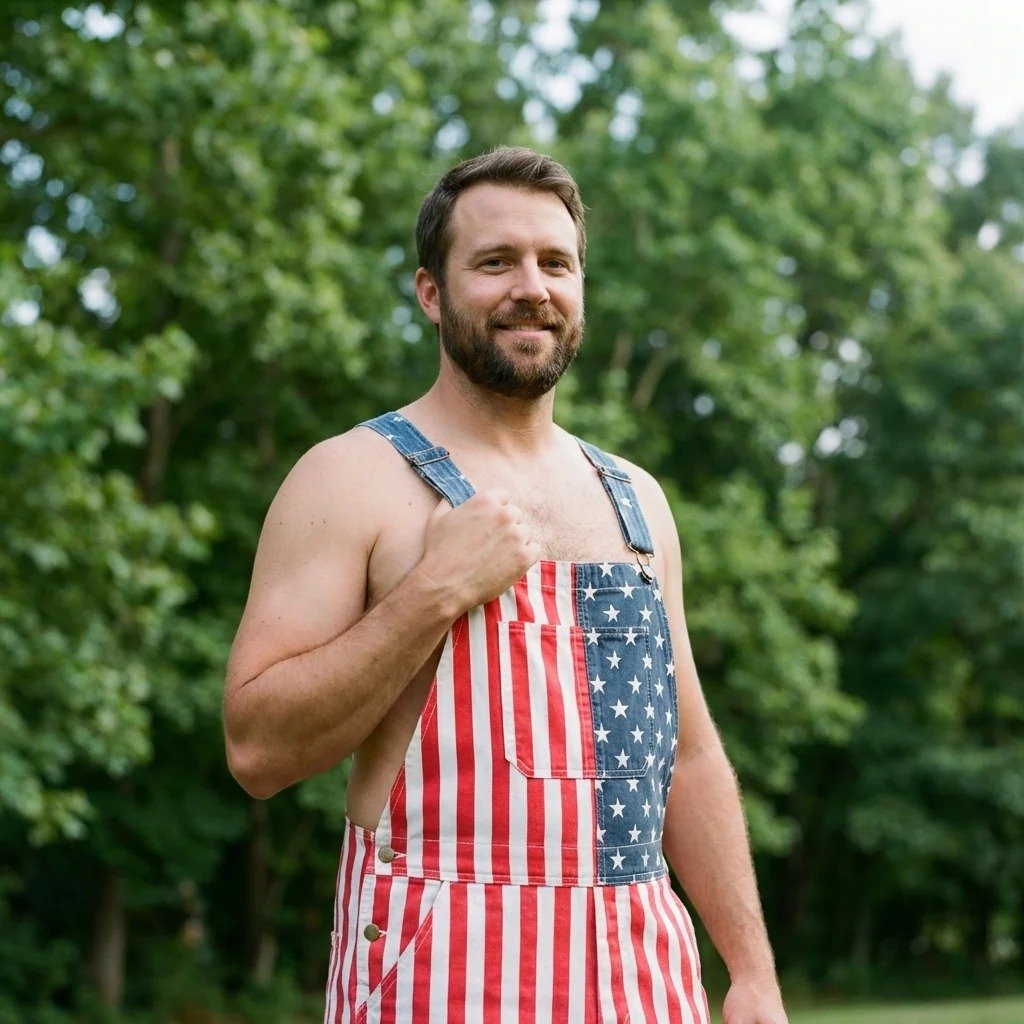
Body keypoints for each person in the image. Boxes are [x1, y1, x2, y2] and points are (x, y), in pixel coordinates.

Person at [223, 146, 787, 1024]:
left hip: (642, 984)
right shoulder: (349, 477)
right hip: (438, 979)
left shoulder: (636, 500)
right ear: (430, 292)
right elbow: (257, 751)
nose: (532, 287)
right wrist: (432, 592)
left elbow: (688, 756)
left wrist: (750, 971)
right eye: (495, 262)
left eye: (555, 263)